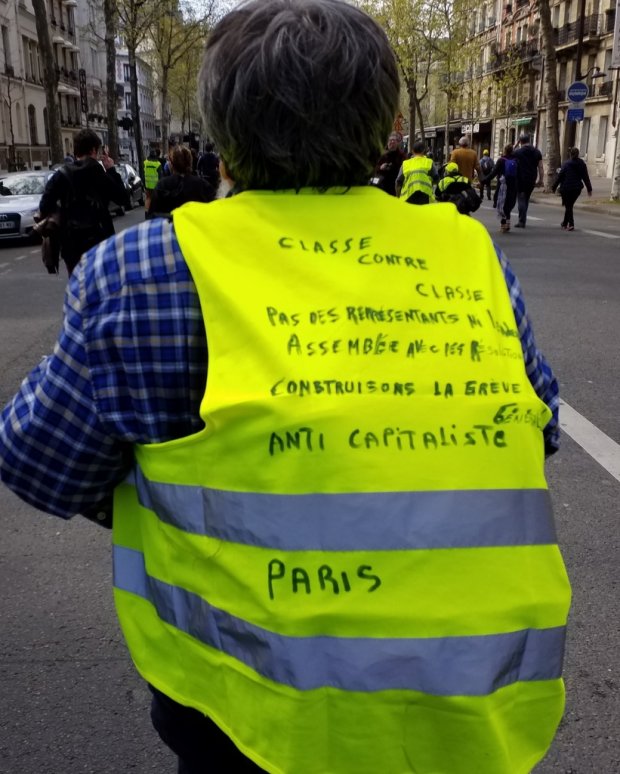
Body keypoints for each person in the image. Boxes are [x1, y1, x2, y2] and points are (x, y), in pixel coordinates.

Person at [0, 2, 570, 773]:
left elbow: (40, 463)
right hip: (469, 693)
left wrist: (174, 487)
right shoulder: (466, 255)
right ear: (389, 124)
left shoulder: (144, 270)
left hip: (245, 699)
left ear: (220, 131)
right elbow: (536, 430)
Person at [38, 128, 128, 276]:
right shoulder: (97, 172)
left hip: (71, 242)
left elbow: (45, 206)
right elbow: (122, 198)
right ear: (93, 150)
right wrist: (111, 170)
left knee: (78, 286)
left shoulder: (61, 174)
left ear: (76, 150)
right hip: (100, 238)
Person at [147, 145, 216, 219]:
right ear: (190, 162)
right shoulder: (203, 185)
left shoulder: (162, 186)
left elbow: (152, 216)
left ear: (171, 164)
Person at [552, 146, 592, 231]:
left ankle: (571, 224)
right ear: (578, 154)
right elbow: (586, 177)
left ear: (570, 154)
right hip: (577, 188)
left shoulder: (566, 164)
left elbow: (560, 176)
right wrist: (589, 189)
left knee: (568, 205)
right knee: (569, 205)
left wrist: (554, 187)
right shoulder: (582, 164)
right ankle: (565, 223)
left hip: (566, 188)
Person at [484, 143, 519, 232]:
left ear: (504, 150)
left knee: (501, 205)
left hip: (502, 185)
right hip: (513, 185)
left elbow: (493, 173)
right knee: (509, 205)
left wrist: (484, 181)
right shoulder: (516, 160)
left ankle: (503, 225)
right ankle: (508, 223)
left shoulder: (501, 160)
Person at [513, 133, 544, 228]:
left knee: (521, 198)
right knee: (526, 198)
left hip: (521, 178)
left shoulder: (518, 152)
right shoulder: (537, 152)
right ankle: (523, 219)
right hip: (532, 178)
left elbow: (509, 153)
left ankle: (522, 220)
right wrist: (541, 180)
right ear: (529, 140)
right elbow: (540, 167)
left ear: (520, 141)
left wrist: (516, 144)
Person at [395, 139, 437, 203]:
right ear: (424, 151)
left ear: (412, 151)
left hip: (408, 197)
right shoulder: (429, 162)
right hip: (425, 196)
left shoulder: (405, 164)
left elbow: (398, 182)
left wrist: (398, 197)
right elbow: (436, 178)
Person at [371, 131, 406, 196]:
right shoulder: (381, 154)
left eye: (394, 140)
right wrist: (380, 167)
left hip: (395, 186)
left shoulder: (402, 156)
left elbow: (405, 169)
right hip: (381, 186)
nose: (392, 142)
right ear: (387, 142)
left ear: (397, 143)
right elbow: (372, 168)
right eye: (390, 140)